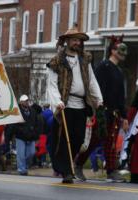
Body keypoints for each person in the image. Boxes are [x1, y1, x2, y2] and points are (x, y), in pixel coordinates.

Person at [47, 26, 103, 183]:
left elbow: (91, 80)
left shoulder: (85, 59)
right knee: (65, 139)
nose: (77, 42)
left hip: (81, 104)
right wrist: (57, 102)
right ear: (66, 42)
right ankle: (66, 171)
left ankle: (67, 165)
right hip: (65, 104)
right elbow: (51, 84)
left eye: (79, 40)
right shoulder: (57, 61)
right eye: (74, 39)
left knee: (79, 139)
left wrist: (98, 98)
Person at [74, 35, 129, 182]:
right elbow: (95, 89)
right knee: (94, 140)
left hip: (115, 114)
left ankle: (111, 172)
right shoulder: (103, 67)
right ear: (113, 50)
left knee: (111, 143)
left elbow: (120, 96)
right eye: (120, 49)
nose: (123, 53)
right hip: (101, 111)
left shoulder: (119, 72)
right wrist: (97, 108)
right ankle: (78, 164)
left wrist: (124, 116)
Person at [11, 95, 41, 175]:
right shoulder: (17, 112)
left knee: (31, 153)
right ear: (21, 102)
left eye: (27, 100)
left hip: (31, 137)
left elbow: (36, 124)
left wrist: (36, 136)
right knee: (21, 154)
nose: (26, 102)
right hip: (20, 136)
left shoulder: (33, 111)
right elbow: (13, 125)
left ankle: (25, 165)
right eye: (25, 101)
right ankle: (21, 169)